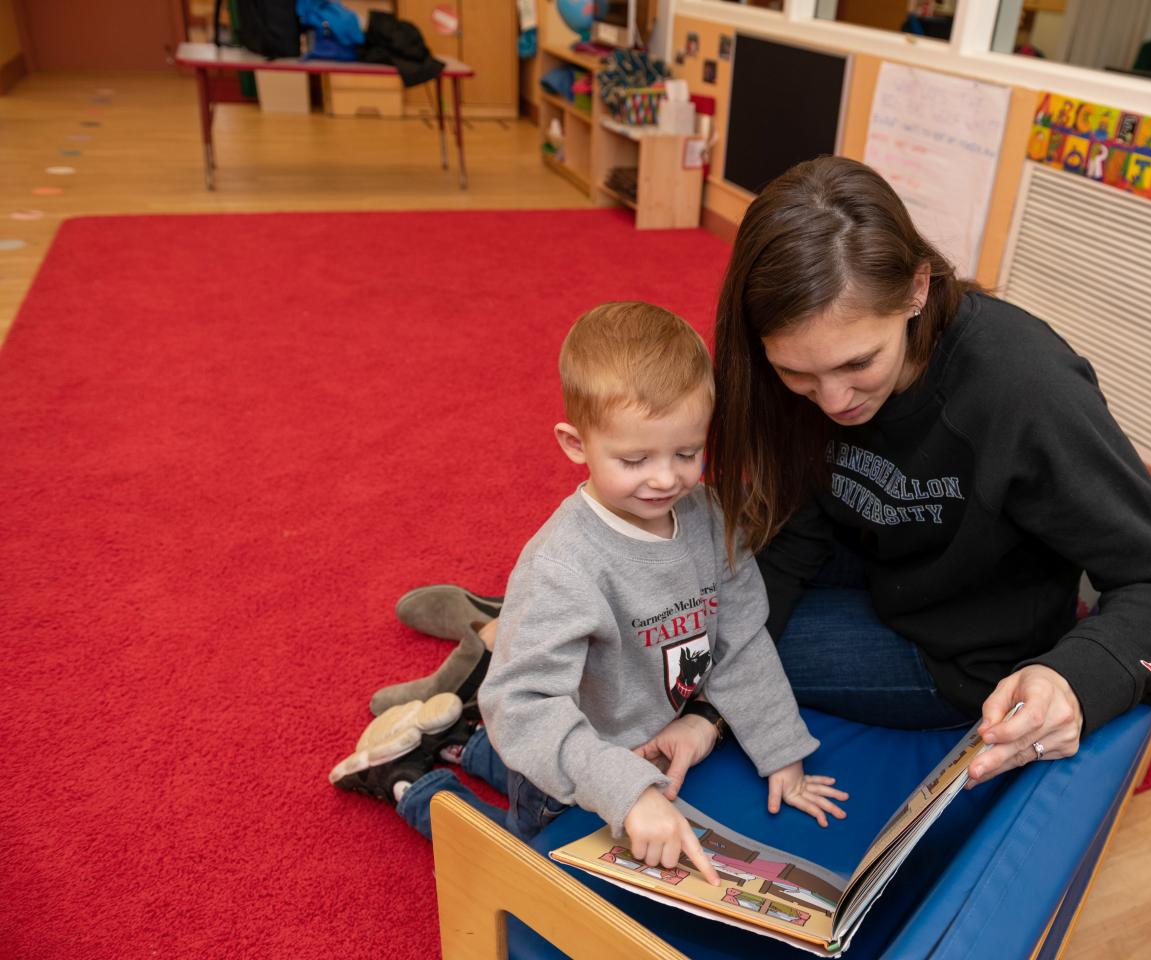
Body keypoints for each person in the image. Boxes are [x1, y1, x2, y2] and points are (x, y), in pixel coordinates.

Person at [382, 154, 1151, 794]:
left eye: (859, 364)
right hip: (871, 562)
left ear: (917, 290)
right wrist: (705, 683)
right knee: (673, 624)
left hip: (957, 641)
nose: (831, 400)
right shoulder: (795, 367)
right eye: (798, 376)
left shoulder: (1023, 389)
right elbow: (788, 534)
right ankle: (538, 622)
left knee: (651, 653)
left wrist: (1075, 678)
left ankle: (506, 657)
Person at [329, 302, 846, 879]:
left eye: (688, 452)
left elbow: (743, 639)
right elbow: (521, 707)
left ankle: (461, 741)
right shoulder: (561, 566)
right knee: (531, 873)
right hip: (575, 764)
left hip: (633, 753)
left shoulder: (708, 516)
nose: (665, 478)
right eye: (634, 458)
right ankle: (411, 783)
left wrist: (779, 748)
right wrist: (630, 792)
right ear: (575, 444)